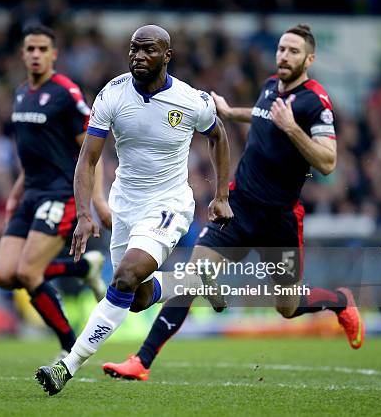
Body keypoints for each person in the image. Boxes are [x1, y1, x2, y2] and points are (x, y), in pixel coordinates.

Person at [102, 24, 365, 381]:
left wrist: (292, 129)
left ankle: (339, 300)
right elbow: (262, 118)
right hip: (240, 206)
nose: (283, 57)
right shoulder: (272, 86)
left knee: (287, 307)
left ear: (309, 59)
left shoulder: (314, 103)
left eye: (292, 51)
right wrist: (229, 111)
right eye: (281, 49)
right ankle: (142, 361)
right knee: (194, 275)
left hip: (280, 220)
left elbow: (328, 161)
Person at [34, 24, 233, 395]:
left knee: (123, 277)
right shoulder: (112, 93)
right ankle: (193, 281)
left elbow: (218, 135)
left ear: (167, 57)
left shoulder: (191, 100)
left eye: (149, 50)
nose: (138, 57)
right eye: (134, 49)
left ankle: (67, 365)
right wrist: (84, 214)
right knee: (137, 298)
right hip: (125, 205)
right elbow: (87, 160)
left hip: (169, 204)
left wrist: (221, 195)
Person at [0, 25, 111, 359]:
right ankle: (83, 268)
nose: (35, 55)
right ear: (22, 53)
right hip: (30, 192)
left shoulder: (65, 93)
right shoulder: (20, 94)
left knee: (28, 272)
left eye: (42, 49)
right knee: (4, 276)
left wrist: (97, 199)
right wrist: (16, 191)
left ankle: (69, 348)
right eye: (30, 49)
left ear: (53, 54)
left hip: (60, 194)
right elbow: (32, 153)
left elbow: (92, 150)